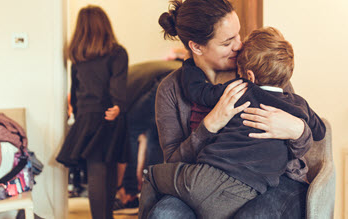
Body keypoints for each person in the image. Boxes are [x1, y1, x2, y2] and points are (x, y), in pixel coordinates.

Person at [143, 0, 316, 218]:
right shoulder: (170, 89)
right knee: (163, 215)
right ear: (196, 46)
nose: (239, 46)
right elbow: (173, 162)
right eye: (227, 42)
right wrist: (209, 126)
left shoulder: (258, 68)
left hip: (273, 180)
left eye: (238, 35)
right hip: (206, 183)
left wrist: (297, 130)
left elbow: (308, 138)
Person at [55, 5, 129, 219]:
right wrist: (117, 108)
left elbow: (75, 92)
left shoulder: (78, 58)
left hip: (87, 118)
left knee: (96, 170)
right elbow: (118, 86)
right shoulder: (117, 53)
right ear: (104, 26)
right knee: (109, 167)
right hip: (109, 114)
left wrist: (77, 115)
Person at [113, 60, 181, 214]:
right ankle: (152, 192)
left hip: (162, 82)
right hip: (177, 80)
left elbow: (127, 137)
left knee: (129, 132)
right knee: (156, 138)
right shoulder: (132, 79)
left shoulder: (114, 90)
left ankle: (129, 193)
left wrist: (121, 185)